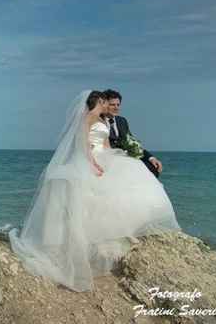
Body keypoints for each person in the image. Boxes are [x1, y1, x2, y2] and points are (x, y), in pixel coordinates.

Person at [9, 90, 179, 292]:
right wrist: (93, 163)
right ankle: (87, 241)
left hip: (105, 156)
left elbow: (108, 143)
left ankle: (124, 230)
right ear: (100, 101)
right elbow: (83, 145)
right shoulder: (87, 118)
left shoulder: (107, 120)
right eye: (108, 103)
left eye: (115, 104)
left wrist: (117, 156)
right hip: (89, 158)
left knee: (129, 176)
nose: (111, 106)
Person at [103, 89, 162, 177]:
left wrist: (151, 158)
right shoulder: (97, 121)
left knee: (153, 167)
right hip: (108, 159)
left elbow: (132, 143)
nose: (116, 107)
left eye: (118, 105)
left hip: (124, 157)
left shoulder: (122, 121)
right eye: (112, 105)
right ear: (104, 104)